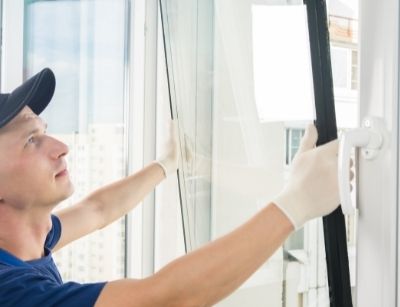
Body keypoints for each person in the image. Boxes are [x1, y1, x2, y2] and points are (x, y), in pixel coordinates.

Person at [0, 68, 342, 307]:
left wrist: (166, 164)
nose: (60, 146)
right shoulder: (9, 290)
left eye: (46, 131)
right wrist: (295, 205)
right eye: (32, 140)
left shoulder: (30, 241)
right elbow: (166, 299)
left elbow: (98, 209)